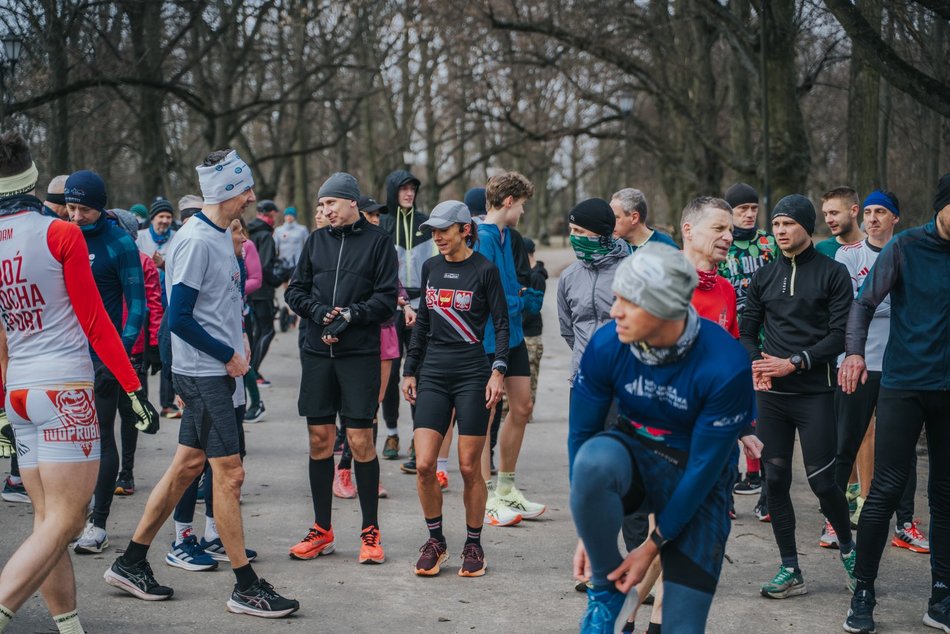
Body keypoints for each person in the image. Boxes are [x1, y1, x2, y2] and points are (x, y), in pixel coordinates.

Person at [104, 148, 298, 618]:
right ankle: (244, 587)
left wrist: (240, 346)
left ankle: (131, 562)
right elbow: (179, 320)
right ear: (227, 192)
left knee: (187, 466)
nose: (252, 197)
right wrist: (227, 354)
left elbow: (220, 305)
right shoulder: (194, 240)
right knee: (229, 474)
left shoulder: (220, 235)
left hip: (220, 371)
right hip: (203, 373)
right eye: (245, 189)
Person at [0, 131, 157, 634]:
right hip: (64, 388)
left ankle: (69, 627)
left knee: (49, 523)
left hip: (20, 392)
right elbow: (95, 323)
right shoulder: (59, 234)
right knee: (67, 522)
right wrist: (134, 389)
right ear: (32, 175)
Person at [570, 244, 755, 633]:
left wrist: (650, 547)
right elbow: (582, 436)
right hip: (636, 457)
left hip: (697, 481)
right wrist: (590, 530)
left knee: (682, 628)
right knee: (594, 458)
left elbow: (704, 471)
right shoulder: (608, 342)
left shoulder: (726, 364)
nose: (614, 310)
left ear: (665, 308)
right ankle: (606, 592)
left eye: (629, 302)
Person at [840, 174, 950, 634]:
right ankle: (863, 592)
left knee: (944, 495)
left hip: (948, 390)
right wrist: (857, 353)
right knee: (884, 489)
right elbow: (864, 304)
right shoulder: (905, 246)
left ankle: (941, 596)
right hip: (903, 383)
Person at [738, 194, 856, 599]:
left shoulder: (833, 273)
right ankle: (790, 568)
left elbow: (840, 334)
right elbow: (747, 329)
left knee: (824, 483)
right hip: (772, 395)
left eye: (788, 224)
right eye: (776, 225)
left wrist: (795, 362)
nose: (781, 231)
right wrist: (758, 366)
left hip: (815, 392)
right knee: (774, 479)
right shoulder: (764, 276)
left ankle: (850, 552)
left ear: (807, 226)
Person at [285, 172, 398, 564]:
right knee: (319, 440)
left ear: (352, 202)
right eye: (321, 205)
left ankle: (370, 531)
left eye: (331, 203)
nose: (325, 211)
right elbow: (294, 291)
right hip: (317, 353)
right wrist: (319, 314)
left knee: (360, 441)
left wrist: (350, 315)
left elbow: (386, 300)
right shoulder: (315, 241)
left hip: (358, 355)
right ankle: (322, 529)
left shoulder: (380, 243)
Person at [400, 200, 508, 577]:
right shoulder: (431, 267)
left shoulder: (485, 270)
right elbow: (423, 325)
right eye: (433, 231)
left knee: (468, 466)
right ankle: (436, 541)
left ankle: (474, 545)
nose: (437, 237)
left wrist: (498, 371)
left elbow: (502, 324)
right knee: (425, 464)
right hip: (433, 372)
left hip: (472, 373)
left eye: (444, 230)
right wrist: (409, 369)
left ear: (464, 229)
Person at [833, 190, 928, 556]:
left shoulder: (907, 251)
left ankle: (905, 524)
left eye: (881, 212)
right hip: (856, 361)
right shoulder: (849, 254)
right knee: (847, 442)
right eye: (868, 212)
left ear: (895, 218)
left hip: (898, 364)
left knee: (901, 449)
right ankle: (835, 518)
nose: (872, 218)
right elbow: (851, 306)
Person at [64, 171, 148, 555]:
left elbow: (138, 306)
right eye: (71, 207)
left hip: (103, 357)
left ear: (99, 206)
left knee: (100, 434)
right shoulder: (61, 237)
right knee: (67, 440)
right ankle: (68, 518)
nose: (76, 215)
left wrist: (119, 353)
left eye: (84, 209)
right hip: (63, 354)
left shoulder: (119, 243)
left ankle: (98, 523)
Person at [472, 171, 544, 526]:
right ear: (508, 202)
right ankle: (484, 497)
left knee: (522, 406)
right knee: (485, 416)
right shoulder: (482, 238)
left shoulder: (505, 236)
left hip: (514, 335)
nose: (523, 213)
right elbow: (483, 296)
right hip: (489, 341)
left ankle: (506, 488)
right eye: (522, 205)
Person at [718, 182, 776, 511]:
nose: (750, 214)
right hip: (728, 339)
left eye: (753, 208)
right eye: (742, 209)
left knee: (763, 415)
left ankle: (765, 493)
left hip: (766, 340)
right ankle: (725, 492)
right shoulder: (723, 242)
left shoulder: (768, 243)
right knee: (729, 412)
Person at [379, 169, 430, 463]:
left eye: (413, 189)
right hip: (391, 306)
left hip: (422, 305)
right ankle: (392, 432)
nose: (409, 194)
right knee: (390, 371)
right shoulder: (383, 224)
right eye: (403, 189)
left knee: (418, 373)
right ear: (393, 191)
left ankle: (417, 437)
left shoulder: (425, 224)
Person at [113, 211, 165, 497]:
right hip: (102, 347)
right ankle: (107, 472)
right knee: (104, 414)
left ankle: (127, 472)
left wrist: (155, 346)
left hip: (134, 348)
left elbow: (154, 305)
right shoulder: (100, 257)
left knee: (132, 411)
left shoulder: (144, 262)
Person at [246, 199, 284, 385]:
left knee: (255, 330)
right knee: (267, 331)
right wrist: (278, 279)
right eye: (274, 215)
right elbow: (265, 266)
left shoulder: (248, 231)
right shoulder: (265, 235)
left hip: (249, 289)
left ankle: (250, 370)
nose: (275, 219)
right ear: (268, 214)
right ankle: (252, 372)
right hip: (262, 290)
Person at [609, 188, 677, 252]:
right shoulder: (610, 247)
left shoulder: (667, 248)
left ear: (634, 218)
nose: (610, 222)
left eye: (616, 217)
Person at [522, 237, 547, 412]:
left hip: (530, 334)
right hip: (522, 333)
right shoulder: (525, 274)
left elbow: (532, 309)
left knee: (529, 376)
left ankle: (526, 412)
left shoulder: (536, 277)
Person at [817, 187, 864, 258]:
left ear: (854, 211)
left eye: (834, 213)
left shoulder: (876, 246)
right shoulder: (822, 250)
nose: (828, 220)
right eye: (825, 214)